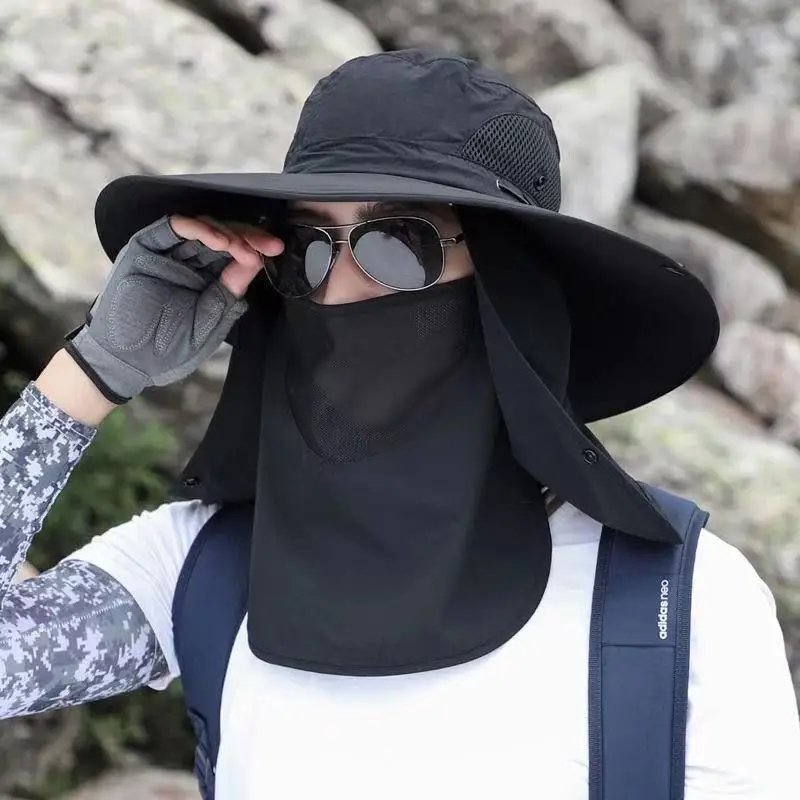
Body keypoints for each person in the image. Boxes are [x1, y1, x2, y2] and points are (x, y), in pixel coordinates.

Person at [1, 48, 799, 799]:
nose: (339, 290)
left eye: (398, 244)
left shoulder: (678, 602)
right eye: (306, 248)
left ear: (510, 287)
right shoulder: (201, 567)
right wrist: (94, 369)